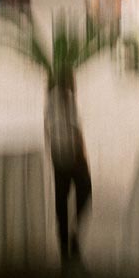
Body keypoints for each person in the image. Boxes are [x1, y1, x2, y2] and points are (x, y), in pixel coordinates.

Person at [45, 66, 92, 263]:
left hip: (58, 154)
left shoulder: (51, 99)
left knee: (62, 197)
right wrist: (81, 155)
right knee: (85, 189)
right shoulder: (65, 99)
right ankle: (69, 236)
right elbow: (74, 131)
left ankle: (65, 239)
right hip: (71, 155)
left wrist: (52, 151)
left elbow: (47, 128)